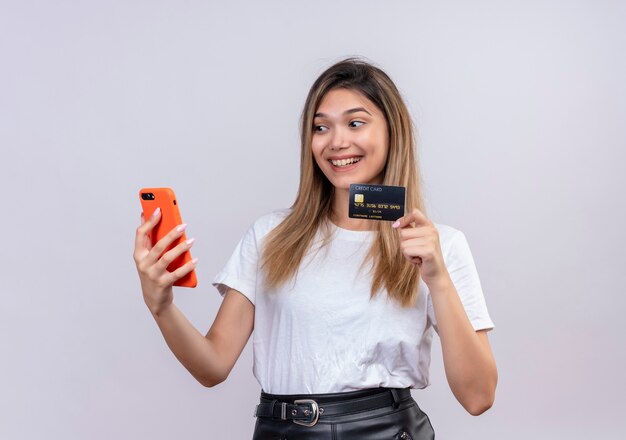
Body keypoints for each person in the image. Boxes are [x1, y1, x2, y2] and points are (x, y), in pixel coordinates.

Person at [134, 58, 497, 439]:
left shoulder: (440, 246)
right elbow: (212, 366)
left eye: (355, 123)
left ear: (393, 132)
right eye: (321, 127)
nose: (337, 141)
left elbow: (478, 397)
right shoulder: (271, 236)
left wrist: (437, 278)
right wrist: (161, 307)